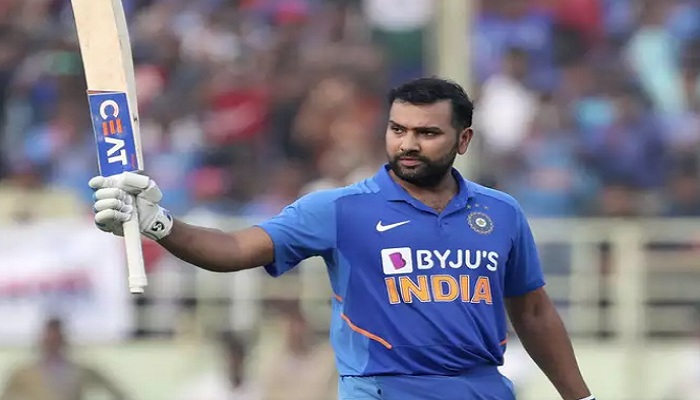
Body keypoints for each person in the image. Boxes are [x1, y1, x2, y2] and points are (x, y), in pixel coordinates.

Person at [89, 77, 595, 400]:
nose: (408, 144)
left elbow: (533, 312)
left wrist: (581, 398)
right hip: (384, 391)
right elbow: (235, 249)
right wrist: (159, 223)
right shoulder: (339, 208)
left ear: (463, 140)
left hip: (482, 389)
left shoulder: (499, 212)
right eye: (398, 129)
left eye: (427, 133)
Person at [0, 318, 129, 400]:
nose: (52, 344)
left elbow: (116, 392)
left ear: (63, 340)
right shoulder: (23, 373)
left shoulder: (81, 371)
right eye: (49, 339)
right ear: (42, 341)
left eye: (56, 339)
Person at [173, 332, 261, 400]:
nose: (234, 362)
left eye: (238, 357)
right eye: (231, 357)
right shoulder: (204, 389)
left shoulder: (255, 391)